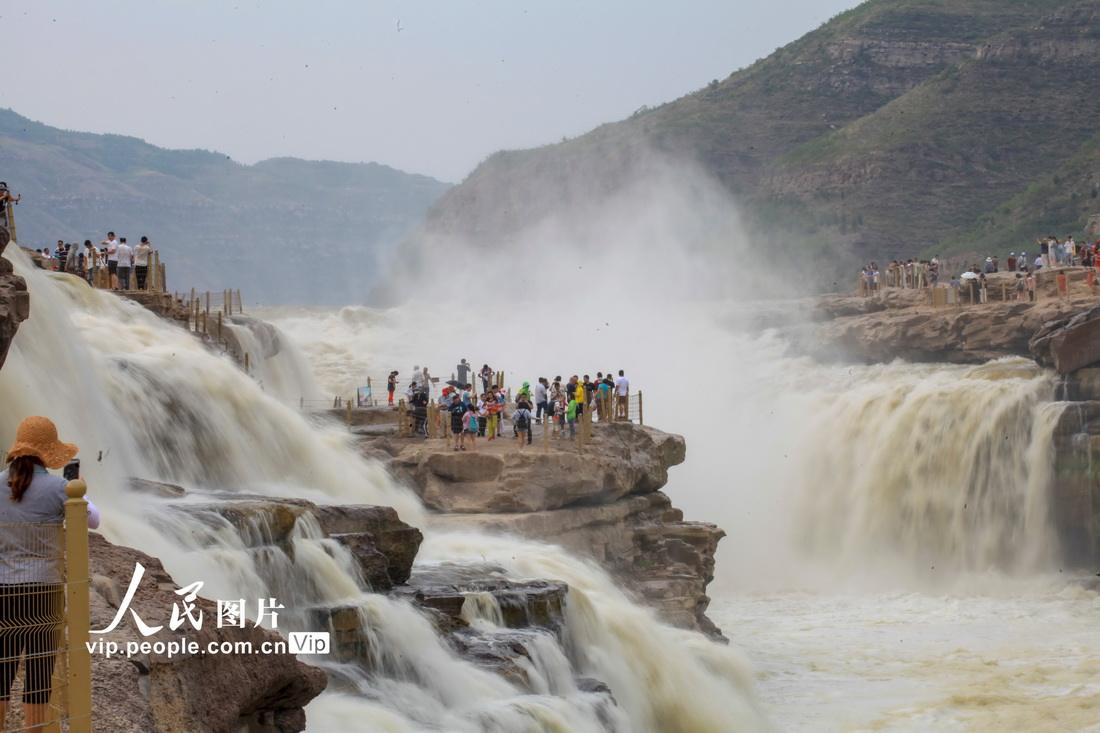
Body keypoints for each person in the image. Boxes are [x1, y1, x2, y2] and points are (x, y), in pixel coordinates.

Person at [0, 417, 100, 728]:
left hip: (4, 586)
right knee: (40, 671)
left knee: (2, 671)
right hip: (44, 590)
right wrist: (78, 487)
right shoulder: (59, 488)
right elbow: (93, 520)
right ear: (48, 454)